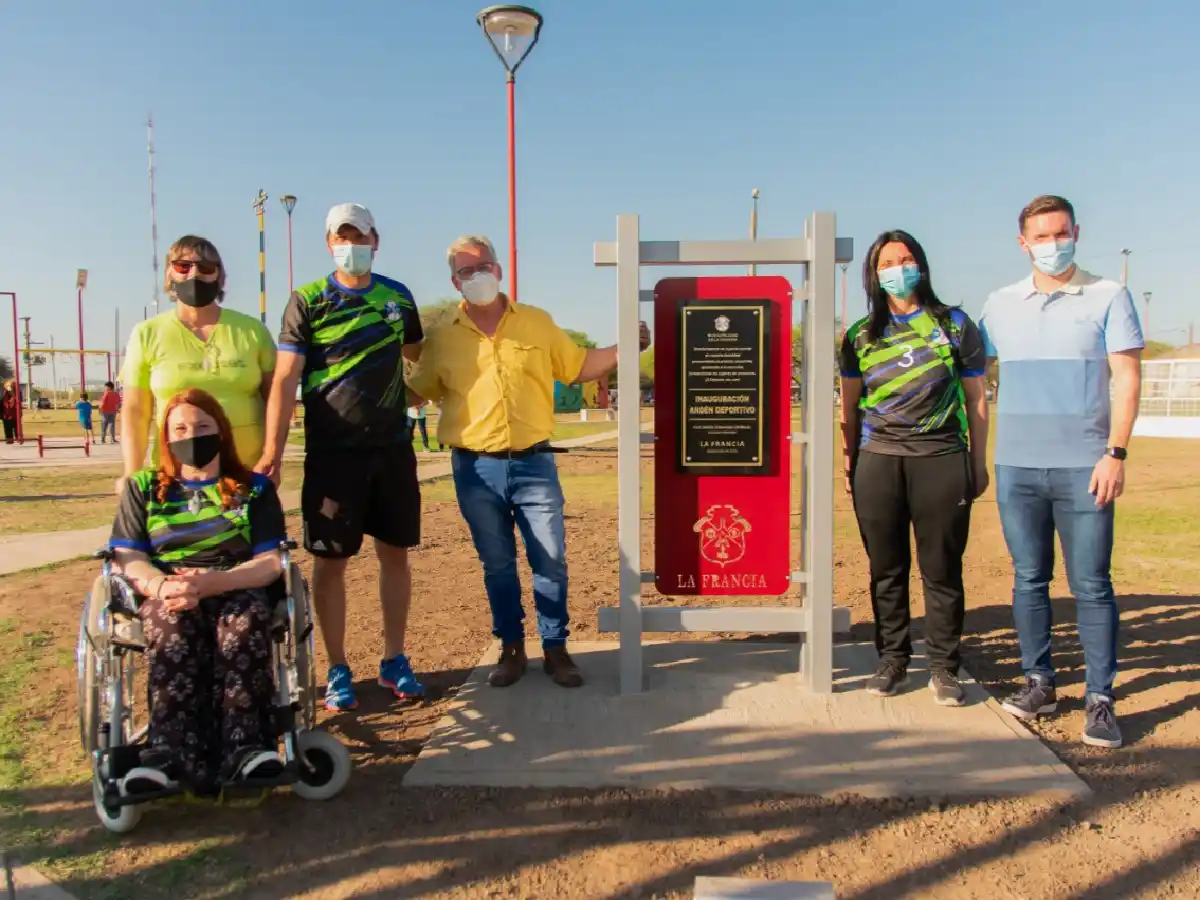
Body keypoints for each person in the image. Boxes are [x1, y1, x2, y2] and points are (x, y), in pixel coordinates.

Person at [407, 234, 649, 689]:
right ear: (454, 281)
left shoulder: (536, 323)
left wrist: (623, 349)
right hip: (475, 469)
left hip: (534, 465)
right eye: (465, 270)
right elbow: (416, 390)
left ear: (498, 270)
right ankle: (511, 648)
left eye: (482, 266)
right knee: (497, 563)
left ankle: (555, 648)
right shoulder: (441, 337)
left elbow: (577, 365)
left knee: (551, 558)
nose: (475, 276)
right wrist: (381, 356)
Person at [979, 195, 1143, 749]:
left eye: (1059, 233)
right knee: (1029, 579)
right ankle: (1039, 682)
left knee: (1092, 585)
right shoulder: (999, 305)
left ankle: (1100, 699)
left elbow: (1126, 376)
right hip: (1017, 467)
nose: (1052, 244)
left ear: (1076, 232)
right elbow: (963, 365)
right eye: (1040, 237)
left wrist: (1114, 453)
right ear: (1022, 243)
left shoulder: (1108, 296)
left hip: (1086, 468)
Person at [258, 203, 425, 711]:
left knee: (394, 555)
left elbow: (416, 354)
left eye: (359, 235)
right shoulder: (307, 300)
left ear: (377, 239)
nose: (349, 244)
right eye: (340, 236)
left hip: (393, 450)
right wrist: (272, 450)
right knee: (331, 561)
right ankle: (337, 667)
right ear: (329, 243)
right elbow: (286, 379)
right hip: (333, 456)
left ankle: (394, 659)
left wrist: (401, 394)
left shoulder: (398, 296)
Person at [109, 388, 287, 795]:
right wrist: (163, 585)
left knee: (245, 623)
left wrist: (211, 583)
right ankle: (169, 754)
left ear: (221, 431)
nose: (192, 435)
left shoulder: (254, 489)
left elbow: (270, 563)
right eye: (181, 428)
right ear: (166, 437)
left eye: (203, 426)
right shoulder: (143, 487)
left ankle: (246, 748)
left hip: (235, 583)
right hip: (167, 588)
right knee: (170, 628)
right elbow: (128, 556)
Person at [839, 230, 989, 706]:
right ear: (874, 273)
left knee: (941, 569)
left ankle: (945, 666)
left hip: (942, 460)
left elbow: (977, 399)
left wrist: (977, 463)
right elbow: (850, 407)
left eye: (905, 260)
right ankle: (893, 659)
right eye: (887, 262)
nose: (897, 269)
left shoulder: (956, 325)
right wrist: (852, 460)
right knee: (887, 570)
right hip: (879, 462)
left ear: (920, 266)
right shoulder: (860, 334)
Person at [118, 236, 276, 491]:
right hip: (175, 477)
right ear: (170, 274)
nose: (194, 274)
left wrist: (272, 458)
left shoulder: (253, 331)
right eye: (183, 266)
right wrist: (132, 472)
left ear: (220, 276)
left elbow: (276, 402)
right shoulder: (147, 333)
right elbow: (136, 412)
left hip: (245, 474)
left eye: (205, 268)